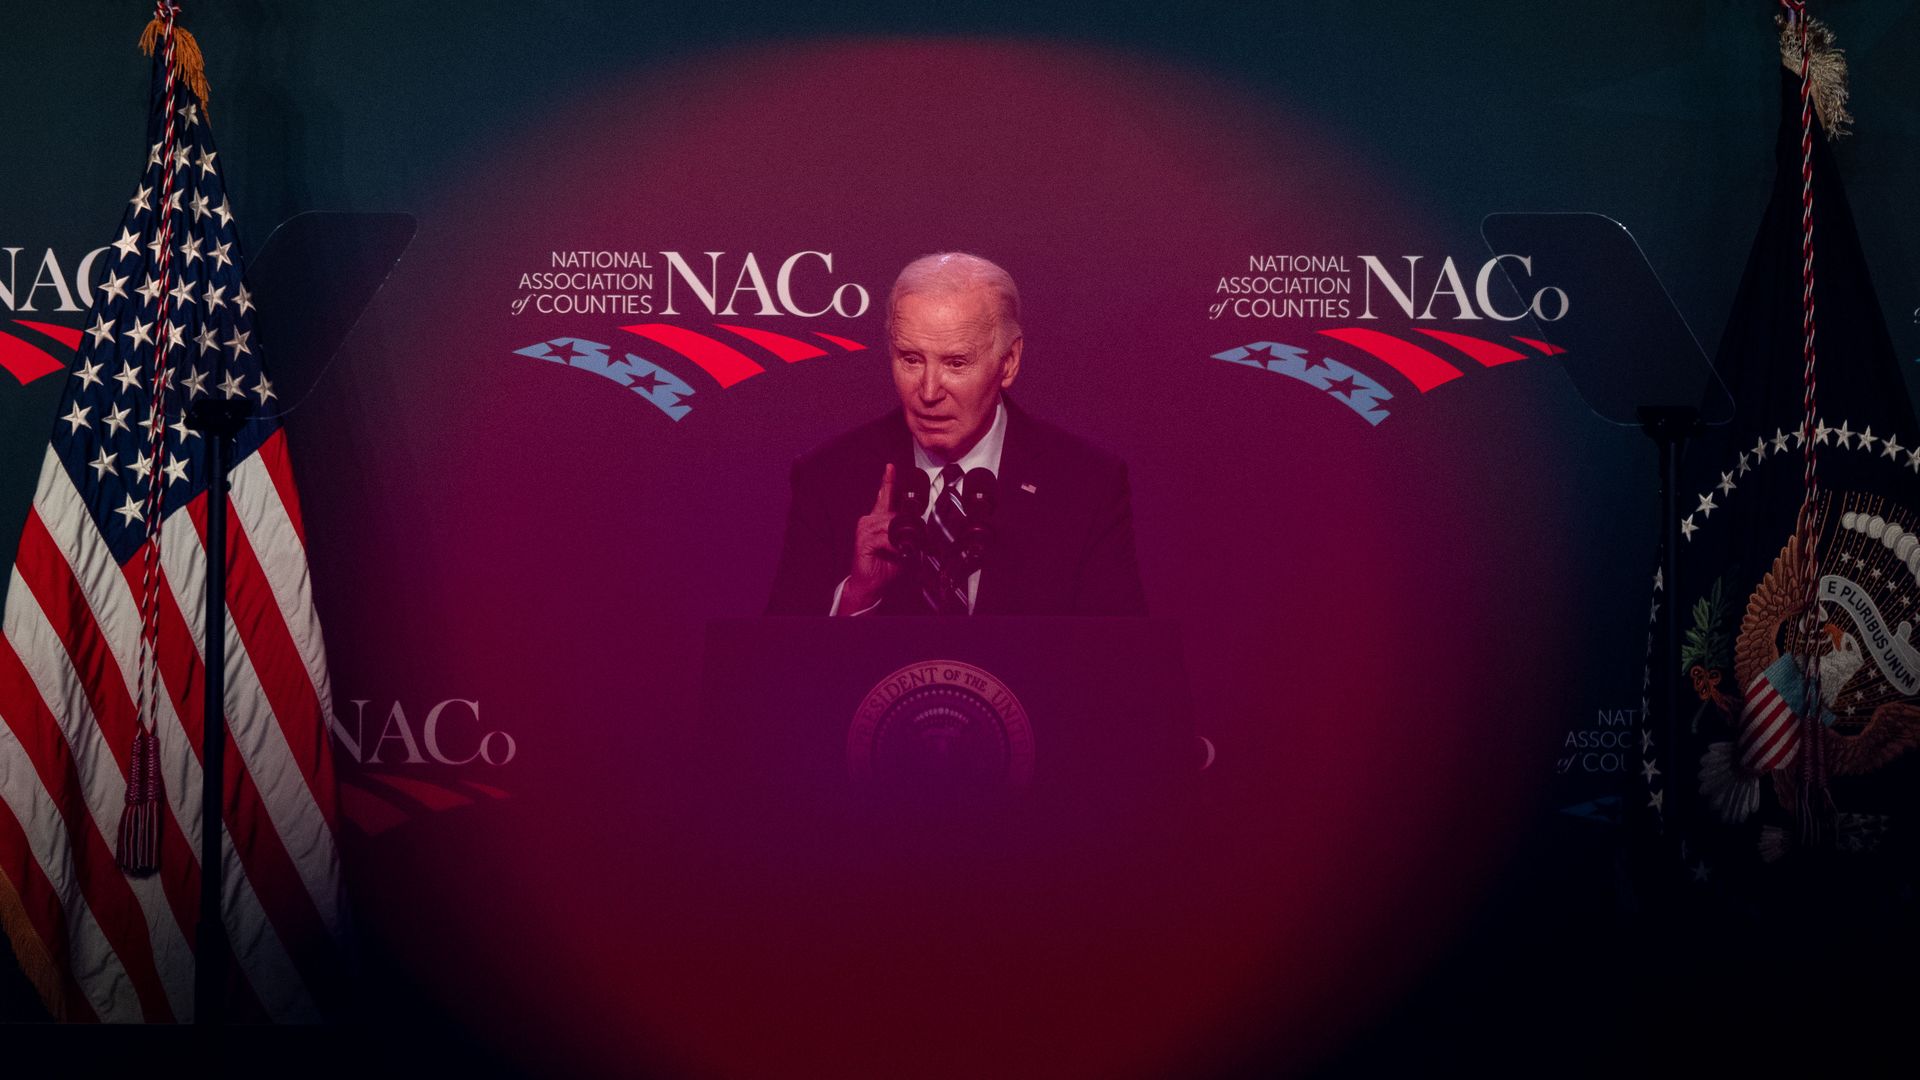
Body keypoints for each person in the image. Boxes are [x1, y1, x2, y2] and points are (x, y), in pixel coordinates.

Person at [766, 252, 1146, 616]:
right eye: (911, 359)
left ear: (1009, 363)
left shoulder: (1087, 485)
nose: (929, 391)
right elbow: (775, 666)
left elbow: (1118, 665)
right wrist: (857, 597)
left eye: (956, 362)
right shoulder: (828, 478)